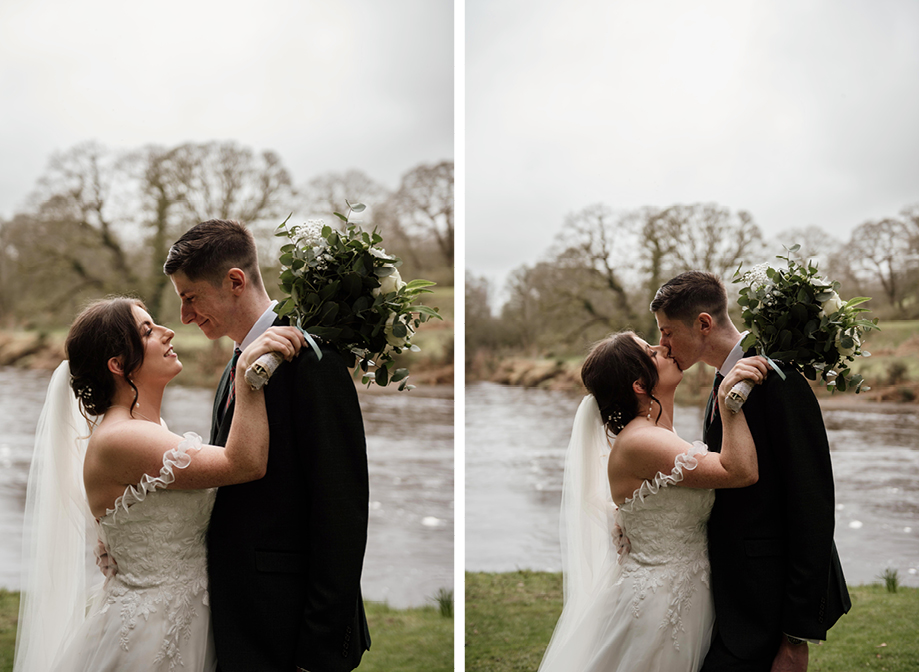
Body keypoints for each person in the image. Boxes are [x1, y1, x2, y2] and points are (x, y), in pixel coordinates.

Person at [13, 297, 306, 671]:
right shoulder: (124, 438)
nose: (169, 332)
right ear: (118, 365)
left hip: (190, 618)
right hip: (151, 632)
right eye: (148, 331)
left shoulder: (151, 432)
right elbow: (243, 463)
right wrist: (247, 371)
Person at [164, 219, 371, 672]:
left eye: (190, 297)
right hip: (242, 622)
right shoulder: (236, 365)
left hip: (290, 627)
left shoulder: (313, 361)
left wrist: (319, 649)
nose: (184, 316)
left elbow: (342, 510)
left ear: (234, 281)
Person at [651, 270, 851, 672]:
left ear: (703, 324)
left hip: (766, 608)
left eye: (668, 332)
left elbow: (812, 505)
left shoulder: (778, 381)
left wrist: (796, 637)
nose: (663, 344)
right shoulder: (724, 378)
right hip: (730, 603)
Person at [538, 330, 770, 672]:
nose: (664, 347)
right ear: (638, 385)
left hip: (687, 594)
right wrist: (727, 402)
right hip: (659, 607)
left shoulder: (659, 437)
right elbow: (740, 472)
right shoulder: (641, 441)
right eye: (651, 352)